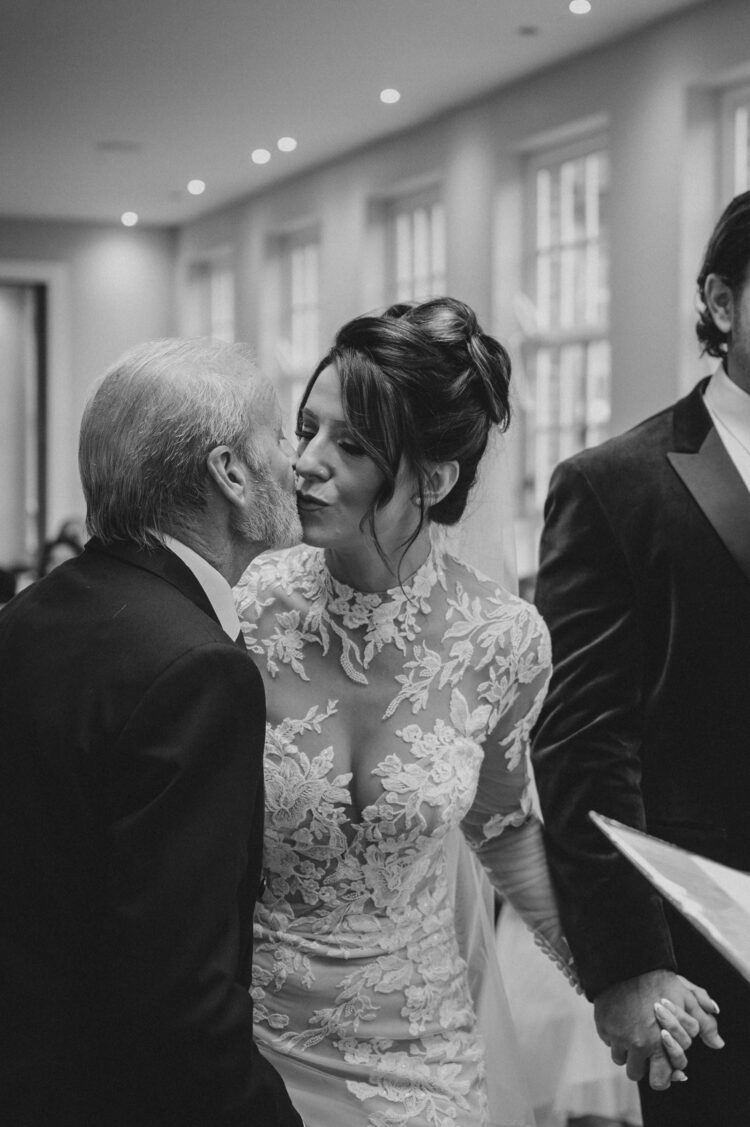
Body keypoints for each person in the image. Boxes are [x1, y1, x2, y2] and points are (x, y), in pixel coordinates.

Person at [234, 298, 686, 1127]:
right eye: (307, 428)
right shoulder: (246, 610)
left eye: (351, 444)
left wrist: (613, 977)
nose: (306, 462)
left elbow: (505, 833)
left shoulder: (502, 642)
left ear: (432, 480)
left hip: (421, 1058)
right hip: (253, 1049)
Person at [0, 338, 305, 1127]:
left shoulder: (29, 614)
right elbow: (177, 995)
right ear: (230, 474)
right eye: (279, 435)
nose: (295, 458)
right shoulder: (199, 670)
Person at [530, 193, 750, 1126]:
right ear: (723, 302)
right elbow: (581, 742)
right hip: (714, 955)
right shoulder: (615, 486)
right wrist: (628, 962)